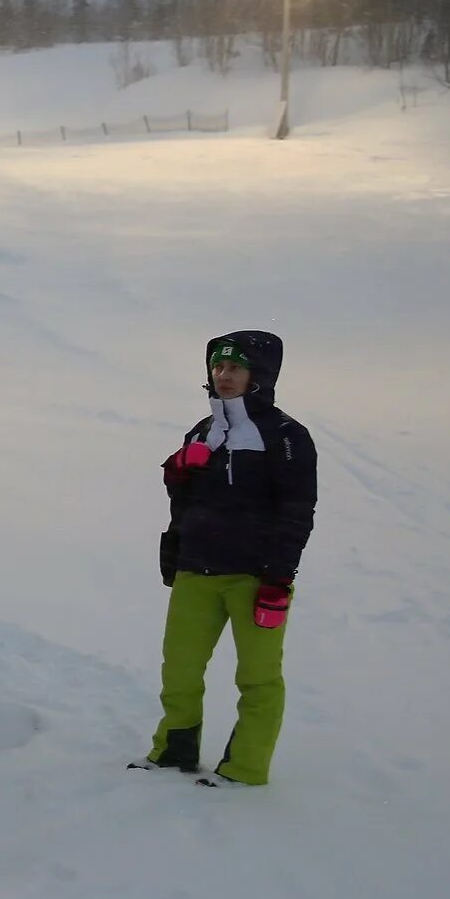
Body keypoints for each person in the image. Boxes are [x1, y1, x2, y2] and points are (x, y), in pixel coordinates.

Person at [143, 331, 316, 786]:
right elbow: (184, 501)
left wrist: (278, 580)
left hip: (256, 578)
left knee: (258, 679)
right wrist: (178, 471)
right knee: (179, 670)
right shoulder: (204, 430)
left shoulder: (286, 436)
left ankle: (244, 769)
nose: (224, 375)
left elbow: (297, 511)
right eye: (218, 367)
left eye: (236, 367)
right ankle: (173, 751)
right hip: (196, 571)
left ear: (259, 375)